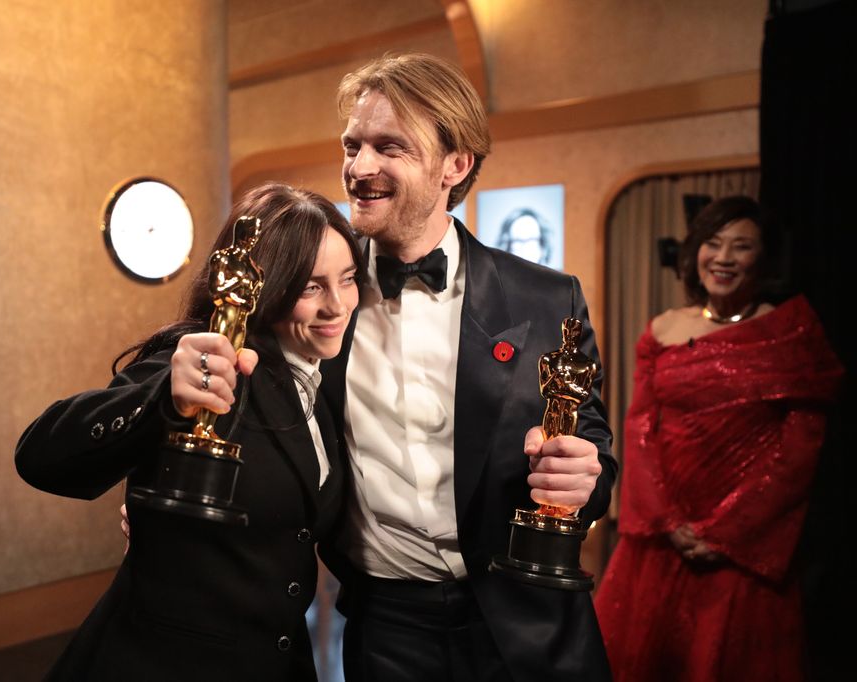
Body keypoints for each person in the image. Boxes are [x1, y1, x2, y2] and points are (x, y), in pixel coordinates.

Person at [319, 53, 615, 682]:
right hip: (385, 627)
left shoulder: (546, 298)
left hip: (527, 621)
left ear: (456, 165)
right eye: (353, 145)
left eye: (389, 147)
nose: (359, 167)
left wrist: (584, 481)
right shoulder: (315, 295)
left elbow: (591, 447)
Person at [15, 182, 363, 681]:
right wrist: (163, 401)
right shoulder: (208, 362)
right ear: (264, 287)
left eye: (347, 279)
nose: (337, 305)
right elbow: (39, 456)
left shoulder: (319, 381)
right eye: (311, 287)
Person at [593, 195, 844, 682]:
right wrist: (669, 521)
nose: (724, 258)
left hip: (744, 547)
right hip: (664, 540)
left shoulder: (790, 330)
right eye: (713, 243)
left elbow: (800, 448)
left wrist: (727, 531)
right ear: (694, 252)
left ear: (764, 257)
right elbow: (639, 426)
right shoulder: (662, 330)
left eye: (741, 246)